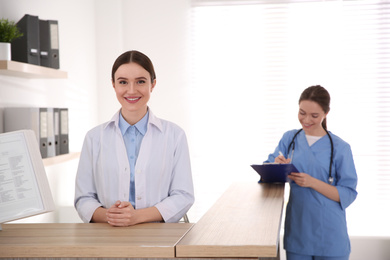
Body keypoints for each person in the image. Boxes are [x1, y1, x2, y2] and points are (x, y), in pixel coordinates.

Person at [74, 50, 194, 226]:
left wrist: (136, 217)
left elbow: (183, 195)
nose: (131, 90)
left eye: (140, 81)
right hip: (108, 235)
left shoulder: (174, 135)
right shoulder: (94, 138)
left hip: (159, 236)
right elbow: (83, 198)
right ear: (113, 85)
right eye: (123, 82)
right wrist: (111, 216)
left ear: (152, 84)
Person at [264, 85, 357, 260]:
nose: (306, 119)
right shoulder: (289, 139)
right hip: (299, 232)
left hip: (330, 235)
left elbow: (348, 193)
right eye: (302, 112)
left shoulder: (340, 148)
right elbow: (267, 172)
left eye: (314, 115)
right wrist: (277, 166)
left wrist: (311, 182)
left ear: (325, 113)